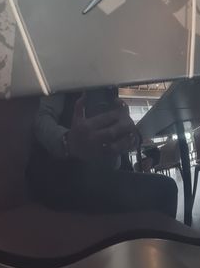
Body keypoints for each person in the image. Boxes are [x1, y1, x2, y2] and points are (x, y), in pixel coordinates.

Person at [27, 90, 178, 218]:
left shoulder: (107, 83)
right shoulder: (64, 71)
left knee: (164, 189)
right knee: (166, 190)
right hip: (64, 175)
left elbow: (119, 137)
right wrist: (68, 142)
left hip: (100, 174)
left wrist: (131, 137)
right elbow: (40, 117)